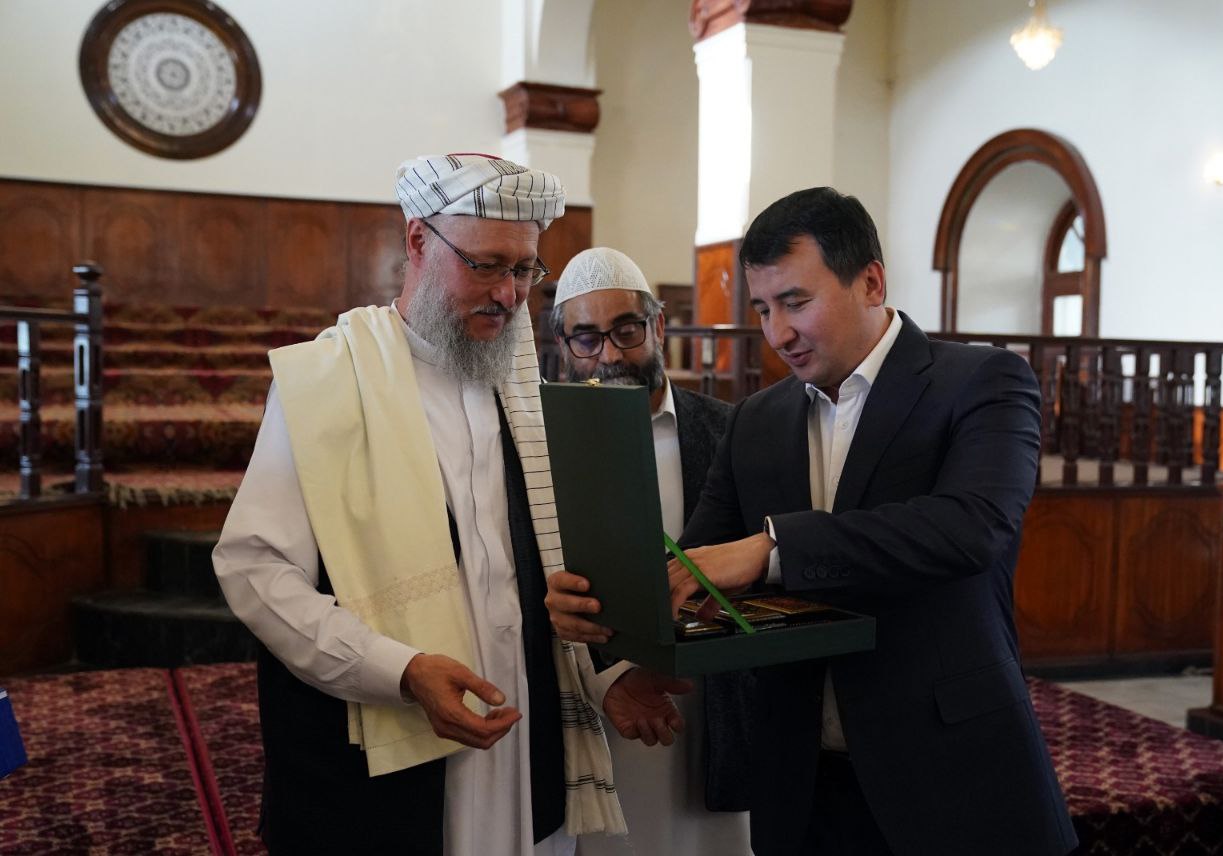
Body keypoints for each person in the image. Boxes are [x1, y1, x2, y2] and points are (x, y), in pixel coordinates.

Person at [552, 187, 1078, 855]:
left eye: (796, 302)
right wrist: (601, 618)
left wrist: (773, 548)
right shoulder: (758, 420)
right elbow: (690, 567)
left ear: (871, 282)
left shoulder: (982, 382)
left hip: (950, 775)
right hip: (801, 786)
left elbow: (971, 528)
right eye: (763, 309)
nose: (778, 333)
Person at [213, 153, 690, 856]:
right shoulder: (324, 382)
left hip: (522, 740)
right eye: (486, 265)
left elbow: (542, 570)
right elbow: (255, 570)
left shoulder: (524, 392)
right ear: (417, 241)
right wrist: (398, 670)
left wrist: (604, 676)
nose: (508, 294)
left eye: (524, 270)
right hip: (387, 750)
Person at [545, 247, 752, 856]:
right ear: (563, 346)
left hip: (708, 703)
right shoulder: (541, 444)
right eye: (587, 338)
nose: (609, 354)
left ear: (658, 326)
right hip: (591, 696)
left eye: (626, 330)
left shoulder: (731, 429)